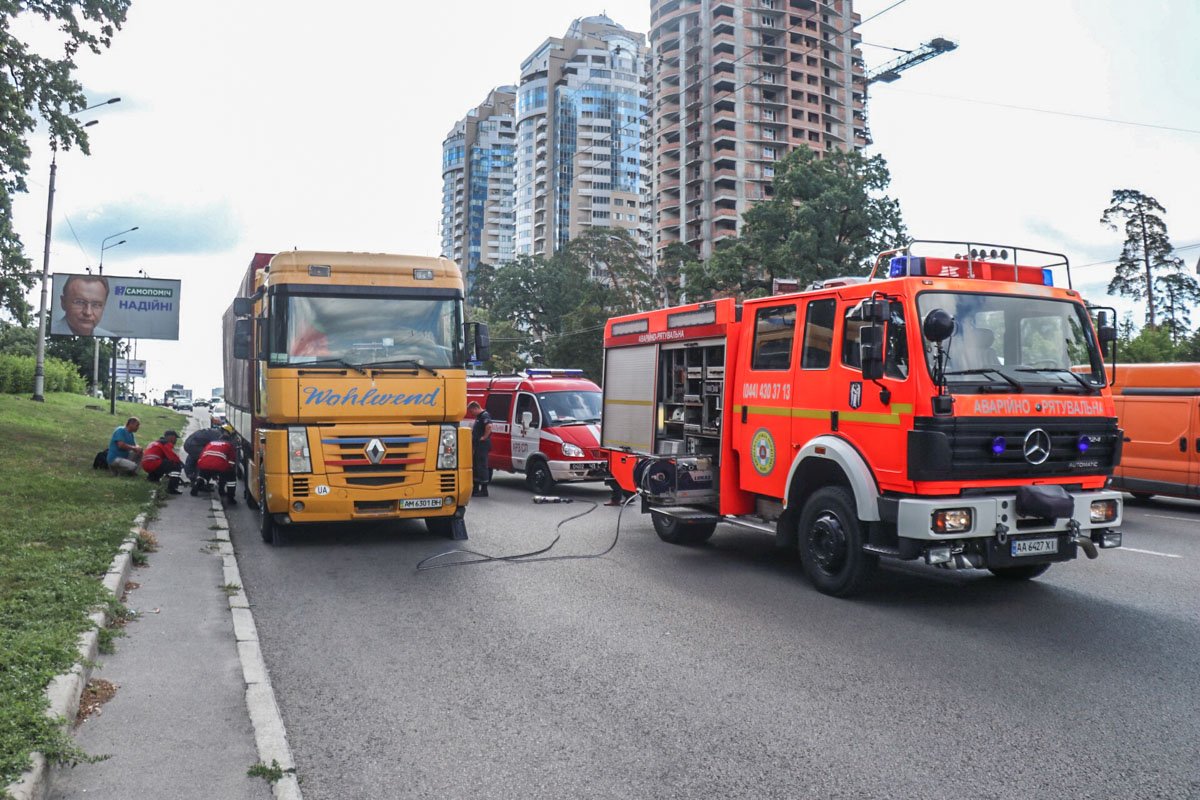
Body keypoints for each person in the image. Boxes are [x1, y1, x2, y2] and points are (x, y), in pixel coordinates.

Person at [193, 429, 238, 504]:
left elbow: (202, 454)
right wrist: (230, 468)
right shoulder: (229, 445)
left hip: (203, 463)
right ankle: (230, 498)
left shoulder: (211, 443)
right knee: (230, 476)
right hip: (219, 464)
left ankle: (197, 485)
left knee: (203, 474)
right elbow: (232, 460)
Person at [141, 430, 184, 494]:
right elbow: (172, 457)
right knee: (175, 465)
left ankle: (152, 478)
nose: (176, 441)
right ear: (171, 437)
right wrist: (181, 463)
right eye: (175, 438)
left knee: (164, 463)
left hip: (145, 464)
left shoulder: (156, 442)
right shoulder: (165, 443)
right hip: (153, 463)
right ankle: (172, 488)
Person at [468, 400, 493, 497]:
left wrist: (484, 437)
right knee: (476, 465)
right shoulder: (479, 416)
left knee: (482, 466)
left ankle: (484, 489)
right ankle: (476, 489)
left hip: (483, 444)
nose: (472, 414)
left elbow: (489, 426)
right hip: (478, 445)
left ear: (475, 408)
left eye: (471, 411)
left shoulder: (484, 415)